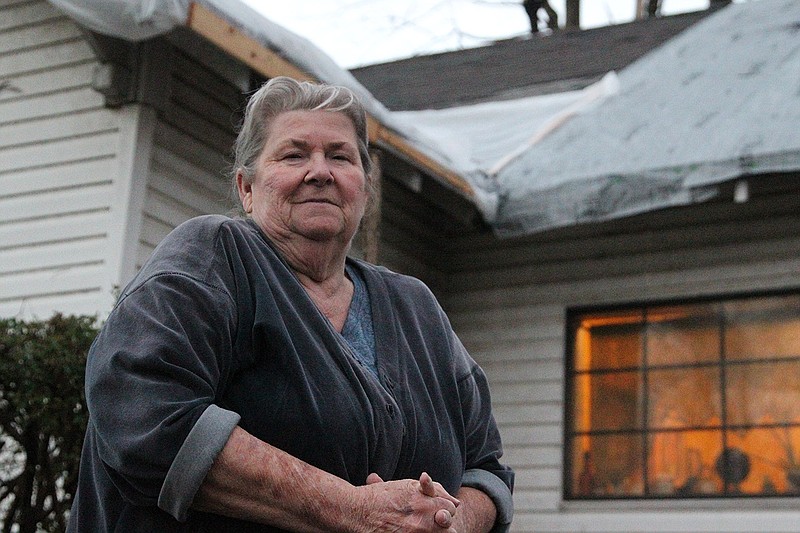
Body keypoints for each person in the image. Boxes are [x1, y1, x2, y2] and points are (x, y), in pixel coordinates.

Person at [67, 76, 514, 532]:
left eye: (340, 156)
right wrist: (351, 510)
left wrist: (449, 525)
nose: (320, 171)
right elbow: (144, 415)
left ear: (363, 187)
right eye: (293, 154)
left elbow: (485, 470)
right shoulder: (213, 257)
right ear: (246, 188)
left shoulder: (415, 308)